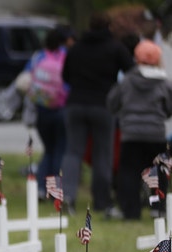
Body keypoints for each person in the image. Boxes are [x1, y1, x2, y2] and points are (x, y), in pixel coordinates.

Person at [61, 11, 135, 217]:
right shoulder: (115, 48)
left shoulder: (75, 48)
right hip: (103, 105)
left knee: (73, 152)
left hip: (75, 104)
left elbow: (65, 76)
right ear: (108, 27)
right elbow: (131, 71)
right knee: (103, 154)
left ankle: (68, 197)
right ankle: (102, 202)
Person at [107, 39, 172, 220]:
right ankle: (157, 208)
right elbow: (169, 107)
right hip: (156, 133)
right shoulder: (164, 83)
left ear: (136, 58)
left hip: (131, 134)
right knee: (158, 170)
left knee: (128, 172)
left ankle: (130, 211)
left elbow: (112, 102)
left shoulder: (127, 80)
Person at [23, 28, 70, 201]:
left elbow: (27, 77)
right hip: (60, 108)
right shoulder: (65, 56)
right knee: (59, 150)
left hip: (41, 110)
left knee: (48, 150)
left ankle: (41, 189)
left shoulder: (38, 57)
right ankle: (55, 190)